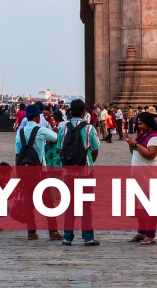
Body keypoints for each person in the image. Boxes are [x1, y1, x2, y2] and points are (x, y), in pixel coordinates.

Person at [14, 103, 60, 241]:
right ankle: (53, 231)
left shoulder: (20, 132)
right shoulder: (40, 130)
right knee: (47, 202)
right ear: (35, 116)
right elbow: (55, 136)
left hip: (25, 170)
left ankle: (31, 231)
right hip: (40, 171)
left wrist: (19, 173)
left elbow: (17, 154)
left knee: (28, 202)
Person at [58, 98, 99, 246]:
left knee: (69, 205)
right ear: (84, 112)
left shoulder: (63, 128)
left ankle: (67, 237)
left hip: (68, 173)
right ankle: (88, 237)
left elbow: (60, 149)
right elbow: (95, 149)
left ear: (69, 111)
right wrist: (89, 161)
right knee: (86, 205)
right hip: (86, 172)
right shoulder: (89, 128)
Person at [126, 111, 157, 245]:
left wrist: (136, 144)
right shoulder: (143, 135)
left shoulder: (155, 137)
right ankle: (141, 232)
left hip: (151, 176)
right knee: (141, 205)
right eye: (138, 124)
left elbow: (150, 154)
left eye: (141, 124)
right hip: (140, 176)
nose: (139, 127)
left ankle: (150, 235)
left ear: (148, 123)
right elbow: (134, 152)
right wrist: (130, 144)